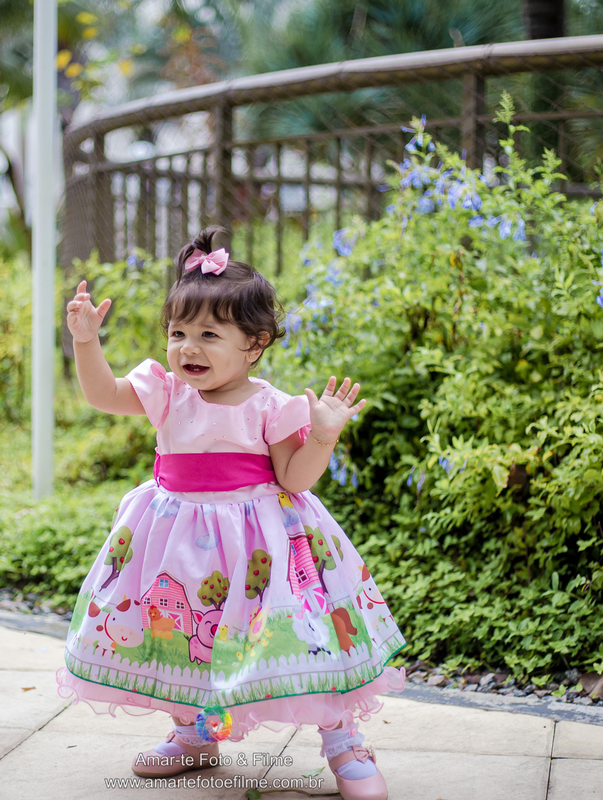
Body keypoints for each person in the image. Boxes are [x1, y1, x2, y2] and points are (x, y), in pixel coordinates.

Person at [54, 226, 406, 800]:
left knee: (302, 642)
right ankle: (193, 733)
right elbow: (101, 395)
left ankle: (343, 740)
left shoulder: (269, 405)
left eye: (209, 335)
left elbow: (294, 479)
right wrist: (86, 341)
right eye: (178, 332)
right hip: (173, 538)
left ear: (255, 343)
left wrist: (322, 438)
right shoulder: (166, 391)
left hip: (260, 548)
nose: (187, 347)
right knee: (180, 634)